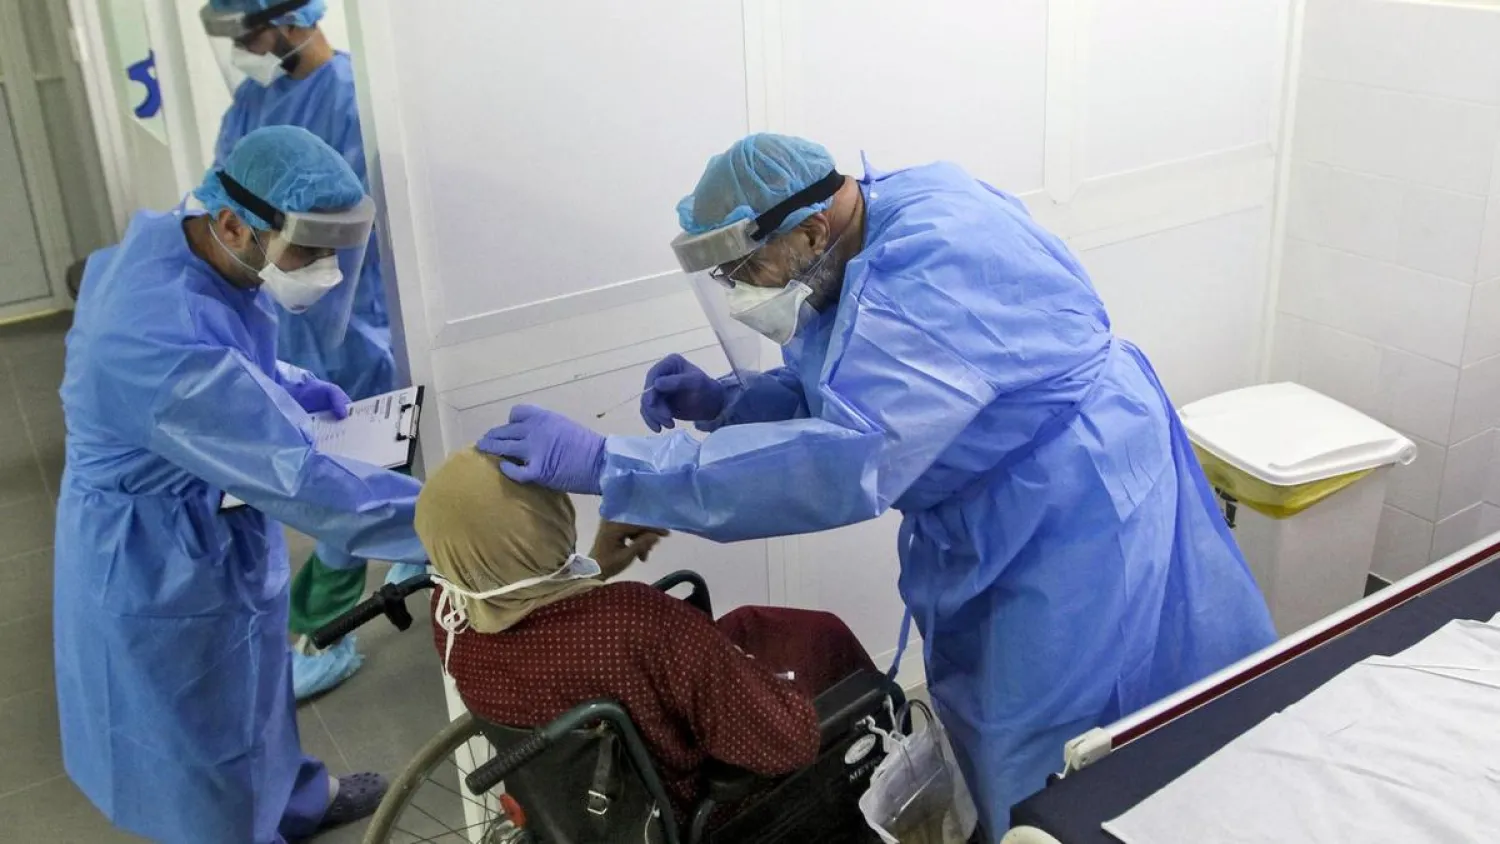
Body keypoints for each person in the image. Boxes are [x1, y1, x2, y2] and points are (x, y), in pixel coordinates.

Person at [476, 133, 1278, 836]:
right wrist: (732, 403)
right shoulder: (858, 237)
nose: (739, 292)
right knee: (1009, 710)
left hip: (1070, 502)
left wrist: (610, 465)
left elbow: (838, 462)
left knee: (1051, 725)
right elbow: (849, 381)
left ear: (811, 226)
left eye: (744, 268)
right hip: (999, 501)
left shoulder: (924, 266)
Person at [54, 125, 424, 844]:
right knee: (201, 738)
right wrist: (447, 523)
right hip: (155, 557)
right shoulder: (151, 336)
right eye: (307, 251)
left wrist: (282, 381)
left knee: (256, 692)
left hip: (208, 522)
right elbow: (303, 480)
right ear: (233, 222)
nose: (322, 270)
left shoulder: (186, 246)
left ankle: (294, 803)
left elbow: (220, 349)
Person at [419, 447, 878, 820]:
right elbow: (786, 743)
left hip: (578, 802)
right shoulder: (633, 623)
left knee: (751, 623)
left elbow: (549, 645)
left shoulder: (450, 617)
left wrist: (592, 569)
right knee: (824, 642)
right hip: (685, 807)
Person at [200, 0, 416, 698]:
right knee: (326, 473)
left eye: (249, 32)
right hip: (278, 315)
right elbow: (221, 198)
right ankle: (372, 581)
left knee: (347, 476)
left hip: (351, 317)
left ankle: (325, 628)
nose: (246, 49)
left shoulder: (355, 100)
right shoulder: (252, 100)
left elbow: (353, 233)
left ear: (293, 19)